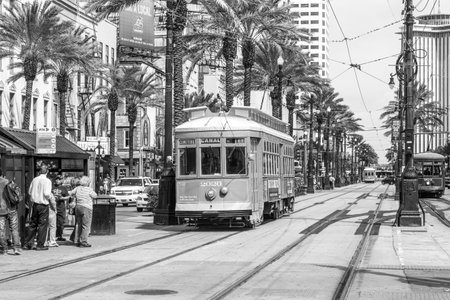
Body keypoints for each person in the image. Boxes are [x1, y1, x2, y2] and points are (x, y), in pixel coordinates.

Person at [23, 164, 55, 251]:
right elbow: (47, 193)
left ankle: (27, 244)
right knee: (42, 225)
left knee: (33, 224)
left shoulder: (34, 180)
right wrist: (50, 198)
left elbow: (29, 192)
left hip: (35, 204)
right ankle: (40, 245)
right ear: (47, 172)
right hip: (43, 205)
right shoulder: (47, 181)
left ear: (39, 171)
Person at [68, 176, 97, 247]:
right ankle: (83, 241)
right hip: (86, 207)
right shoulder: (89, 189)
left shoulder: (77, 188)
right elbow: (95, 196)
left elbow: (71, 193)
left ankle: (77, 240)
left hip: (78, 207)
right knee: (86, 225)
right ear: (87, 183)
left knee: (79, 224)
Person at [0, 170, 22, 255]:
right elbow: (18, 194)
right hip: (12, 209)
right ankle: (16, 248)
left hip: (1, 211)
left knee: (1, 229)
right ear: (2, 174)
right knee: (14, 228)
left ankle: (4, 248)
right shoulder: (8, 182)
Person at [53, 175, 70, 242]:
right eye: (57, 179)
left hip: (60, 207)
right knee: (53, 223)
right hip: (53, 207)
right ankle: (52, 236)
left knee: (60, 223)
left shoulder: (63, 188)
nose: (57, 180)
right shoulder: (52, 187)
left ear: (61, 180)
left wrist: (62, 198)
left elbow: (68, 196)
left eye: (59, 179)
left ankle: (59, 236)